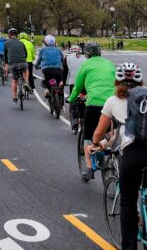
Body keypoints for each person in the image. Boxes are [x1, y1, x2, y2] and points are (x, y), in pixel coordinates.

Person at [90, 63, 147, 250]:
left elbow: (99, 133)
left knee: (127, 201)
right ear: (140, 81)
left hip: (133, 154)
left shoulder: (112, 101)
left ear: (117, 82)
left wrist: (95, 144)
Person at [66, 42, 116, 181]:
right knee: (111, 130)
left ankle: (89, 168)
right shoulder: (109, 63)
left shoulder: (85, 65)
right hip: (112, 101)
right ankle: (113, 148)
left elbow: (78, 86)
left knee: (88, 136)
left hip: (94, 103)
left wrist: (71, 99)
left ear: (86, 54)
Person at [63, 45, 87, 131]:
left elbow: (65, 72)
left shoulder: (67, 58)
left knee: (73, 100)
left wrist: (63, 81)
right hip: (85, 83)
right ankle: (85, 116)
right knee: (85, 99)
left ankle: (75, 120)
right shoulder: (85, 57)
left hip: (73, 83)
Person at [35, 34, 65, 99]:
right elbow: (62, 59)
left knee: (47, 80)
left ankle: (48, 90)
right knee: (60, 81)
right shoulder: (58, 50)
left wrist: (37, 66)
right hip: (58, 69)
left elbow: (39, 60)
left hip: (47, 69)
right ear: (54, 42)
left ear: (45, 42)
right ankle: (60, 95)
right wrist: (63, 66)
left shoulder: (43, 50)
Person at [4, 28, 29, 103]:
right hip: (23, 62)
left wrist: (7, 63)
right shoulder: (21, 43)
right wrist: (23, 59)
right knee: (26, 70)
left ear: (9, 35)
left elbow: (5, 54)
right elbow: (26, 53)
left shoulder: (7, 43)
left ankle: (15, 97)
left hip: (13, 64)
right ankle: (26, 83)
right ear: (17, 35)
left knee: (14, 80)